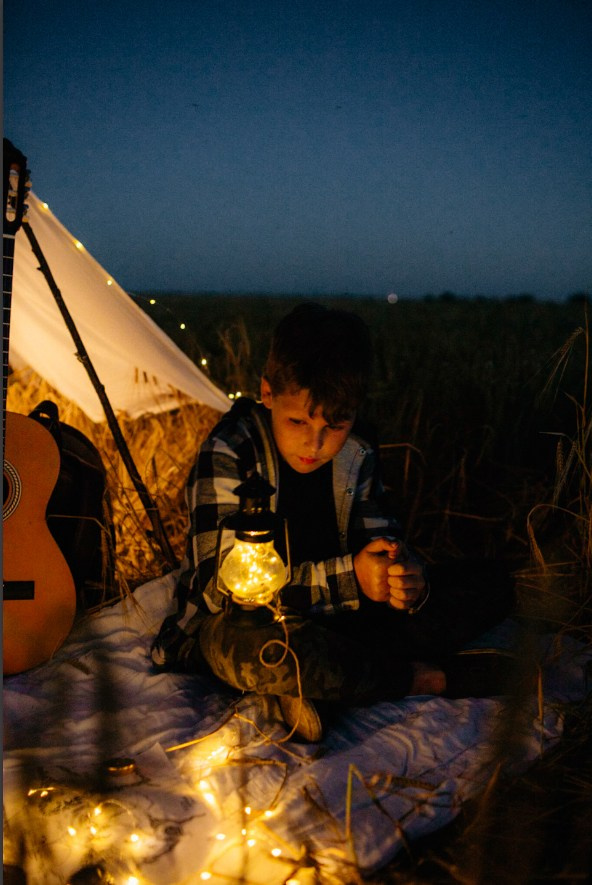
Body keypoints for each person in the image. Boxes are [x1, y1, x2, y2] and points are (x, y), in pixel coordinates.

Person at [151, 303, 517, 740]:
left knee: (492, 582)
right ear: (267, 393)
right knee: (259, 649)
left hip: (340, 618)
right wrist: (351, 579)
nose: (315, 443)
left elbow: (382, 537)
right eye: (297, 421)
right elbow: (221, 591)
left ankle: (327, 682)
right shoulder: (231, 451)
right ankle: (423, 678)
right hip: (250, 623)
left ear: (354, 413)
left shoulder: (356, 451)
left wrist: (403, 579)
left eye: (336, 425)